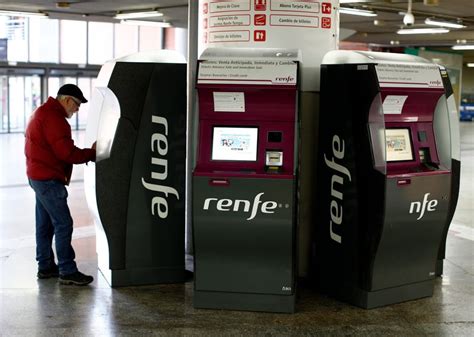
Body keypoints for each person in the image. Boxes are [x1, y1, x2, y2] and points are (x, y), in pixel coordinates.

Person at [24, 84, 96, 286]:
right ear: (65, 100)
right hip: (47, 179)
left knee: (45, 224)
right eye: (77, 104)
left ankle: (45, 266)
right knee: (63, 223)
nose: (78, 108)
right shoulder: (54, 119)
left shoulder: (42, 112)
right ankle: (67, 269)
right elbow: (67, 153)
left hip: (38, 176)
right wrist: (92, 153)